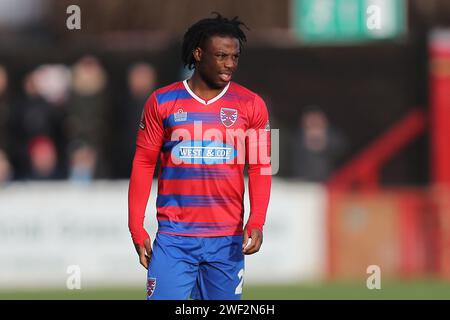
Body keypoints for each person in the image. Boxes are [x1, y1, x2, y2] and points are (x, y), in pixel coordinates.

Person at [128, 13, 272, 300]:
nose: (230, 64)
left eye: (235, 56)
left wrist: (257, 221)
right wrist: (135, 225)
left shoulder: (253, 104)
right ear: (198, 54)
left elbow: (262, 166)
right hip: (174, 239)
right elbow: (143, 163)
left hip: (227, 241)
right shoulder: (161, 102)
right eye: (221, 55)